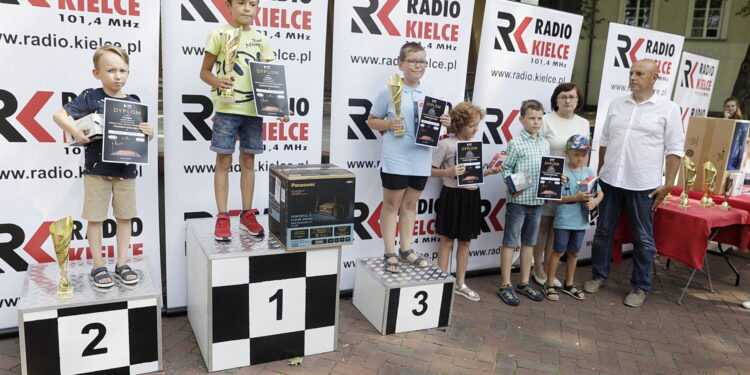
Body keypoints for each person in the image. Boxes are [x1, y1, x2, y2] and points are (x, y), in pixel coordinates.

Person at [583, 59, 685, 307]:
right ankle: (598, 275)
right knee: (603, 232)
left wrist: (669, 183)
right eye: (631, 72)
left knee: (643, 238)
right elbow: (605, 140)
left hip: (644, 186)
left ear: (654, 78)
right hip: (610, 182)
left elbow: (675, 149)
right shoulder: (617, 104)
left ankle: (640, 286)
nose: (633, 77)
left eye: (640, 73)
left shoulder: (668, 108)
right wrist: (599, 174)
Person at [52, 45, 154, 288]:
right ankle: (98, 266)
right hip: (97, 171)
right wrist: (75, 130)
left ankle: (122, 263)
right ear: (96, 73)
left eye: (123, 70)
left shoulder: (134, 102)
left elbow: (138, 138)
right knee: (96, 219)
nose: (118, 76)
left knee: (125, 217)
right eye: (110, 70)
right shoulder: (91, 96)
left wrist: (148, 134)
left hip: (126, 171)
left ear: (128, 73)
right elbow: (59, 115)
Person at [199, 0, 290, 242]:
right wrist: (217, 82)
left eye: (253, 4)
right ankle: (222, 216)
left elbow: (269, 78)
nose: (247, 8)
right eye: (241, 3)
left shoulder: (261, 39)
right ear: (228, 6)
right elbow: (204, 72)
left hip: (254, 111)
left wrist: (280, 105)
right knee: (223, 161)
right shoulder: (219, 34)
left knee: (248, 161)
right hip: (227, 109)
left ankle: (247, 214)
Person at [367, 42, 451, 273]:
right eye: (413, 61)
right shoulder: (390, 91)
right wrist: (388, 124)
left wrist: (445, 123)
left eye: (422, 61)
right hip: (395, 158)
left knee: (411, 205)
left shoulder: (430, 95)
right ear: (400, 64)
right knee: (392, 205)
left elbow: (435, 130)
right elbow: (371, 120)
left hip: (420, 159)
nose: (418, 66)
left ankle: (406, 249)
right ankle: (389, 252)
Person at [432, 102, 500, 301]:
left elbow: (472, 174)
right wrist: (448, 172)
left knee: (465, 241)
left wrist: (489, 171)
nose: (475, 129)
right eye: (472, 125)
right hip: (452, 196)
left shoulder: (474, 146)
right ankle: (441, 282)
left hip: (472, 195)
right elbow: (430, 170)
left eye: (477, 125)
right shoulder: (446, 144)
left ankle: (460, 283)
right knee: (446, 240)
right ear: (460, 124)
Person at [533, 82, 591, 288]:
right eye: (563, 96)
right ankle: (537, 268)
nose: (568, 100)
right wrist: (551, 176)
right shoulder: (545, 120)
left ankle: (550, 271)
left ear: (578, 100)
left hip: (573, 185)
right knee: (544, 226)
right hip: (550, 180)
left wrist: (584, 181)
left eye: (572, 97)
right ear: (556, 100)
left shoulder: (584, 123)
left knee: (559, 228)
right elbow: (536, 150)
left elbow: (585, 154)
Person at [497, 99, 549, 306]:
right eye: (531, 118)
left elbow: (548, 171)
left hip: (537, 201)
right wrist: (512, 186)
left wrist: (557, 179)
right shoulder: (515, 143)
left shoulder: (544, 143)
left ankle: (524, 282)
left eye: (539, 118)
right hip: (518, 201)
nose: (536, 122)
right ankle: (505, 284)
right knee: (510, 242)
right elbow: (506, 168)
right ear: (521, 119)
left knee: (529, 243)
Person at [543, 135, 603, 301]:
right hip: (564, 219)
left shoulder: (589, 171)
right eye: (576, 154)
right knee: (558, 251)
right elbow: (553, 198)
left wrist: (595, 201)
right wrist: (576, 198)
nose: (580, 158)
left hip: (582, 221)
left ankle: (569, 283)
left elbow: (600, 191)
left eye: (584, 155)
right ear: (566, 152)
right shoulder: (559, 171)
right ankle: (549, 283)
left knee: (574, 253)